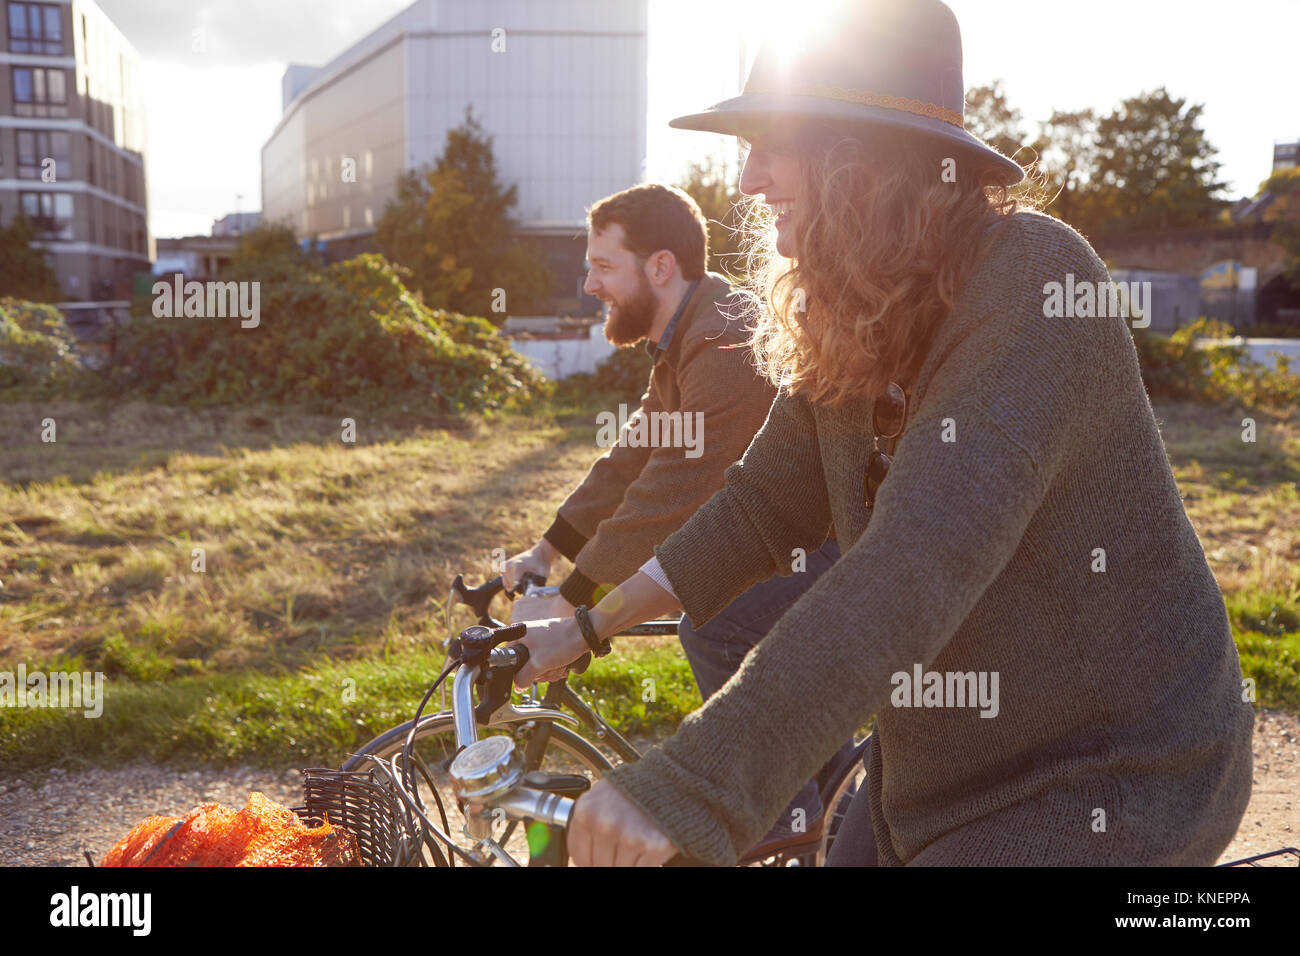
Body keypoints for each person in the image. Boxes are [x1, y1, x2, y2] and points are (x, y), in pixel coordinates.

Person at [511, 0, 1254, 866]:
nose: (748, 180)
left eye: (770, 145)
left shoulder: (1035, 284)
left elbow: (915, 564)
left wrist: (696, 782)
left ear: (863, 161)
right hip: (932, 770)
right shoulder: (854, 308)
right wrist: (585, 627)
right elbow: (759, 508)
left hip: (1113, 774)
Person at [498, 181, 843, 859]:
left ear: (660, 267)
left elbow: (672, 491)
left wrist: (571, 608)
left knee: (715, 623)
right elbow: (629, 463)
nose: (588, 282)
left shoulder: (723, 339)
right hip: (785, 539)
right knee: (726, 630)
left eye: (603, 265)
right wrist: (546, 553)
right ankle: (829, 797)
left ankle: (782, 809)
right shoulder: (684, 337)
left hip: (823, 546)